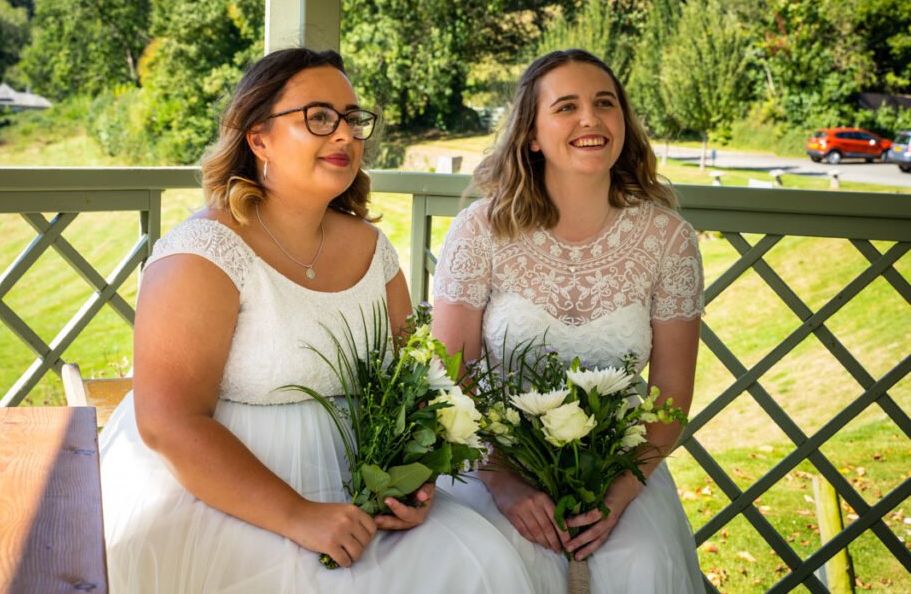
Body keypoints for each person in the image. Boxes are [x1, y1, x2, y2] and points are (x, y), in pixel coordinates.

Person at [98, 47, 534, 593]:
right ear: (259, 138)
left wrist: (414, 484)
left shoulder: (374, 252)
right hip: (228, 494)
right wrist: (300, 515)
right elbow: (169, 421)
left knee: (483, 563)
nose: (346, 135)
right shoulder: (203, 252)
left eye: (353, 119)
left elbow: (415, 390)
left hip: (360, 487)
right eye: (320, 118)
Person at [431, 49, 706, 593]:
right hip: (495, 466)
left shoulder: (668, 240)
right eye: (567, 107)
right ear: (531, 135)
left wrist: (617, 494)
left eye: (605, 104)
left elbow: (671, 394)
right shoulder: (481, 232)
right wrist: (503, 482)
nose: (591, 119)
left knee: (641, 568)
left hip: (624, 472)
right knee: (496, 568)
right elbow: (448, 381)